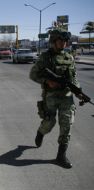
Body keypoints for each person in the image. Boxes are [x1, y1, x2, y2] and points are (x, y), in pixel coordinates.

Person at [29, 29, 83, 169]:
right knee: (49, 123)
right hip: (50, 96)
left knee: (67, 125)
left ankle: (60, 156)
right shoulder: (45, 57)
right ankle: (41, 132)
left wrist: (78, 90)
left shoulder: (69, 57)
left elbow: (74, 77)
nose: (64, 43)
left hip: (66, 97)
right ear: (53, 41)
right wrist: (47, 82)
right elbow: (33, 74)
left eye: (65, 41)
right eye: (61, 40)